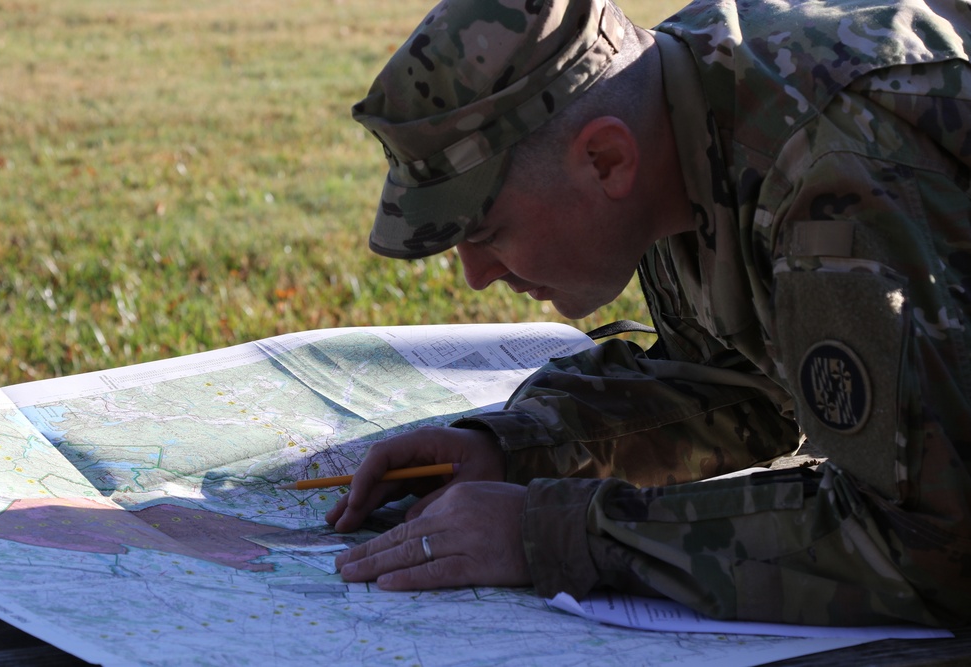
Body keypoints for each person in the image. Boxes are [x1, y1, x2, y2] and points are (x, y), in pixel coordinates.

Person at [325, 0, 971, 628]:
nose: (476, 274)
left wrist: (553, 533)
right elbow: (740, 384)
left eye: (490, 232)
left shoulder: (834, 175)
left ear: (606, 158)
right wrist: (518, 448)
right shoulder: (673, 105)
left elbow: (932, 542)